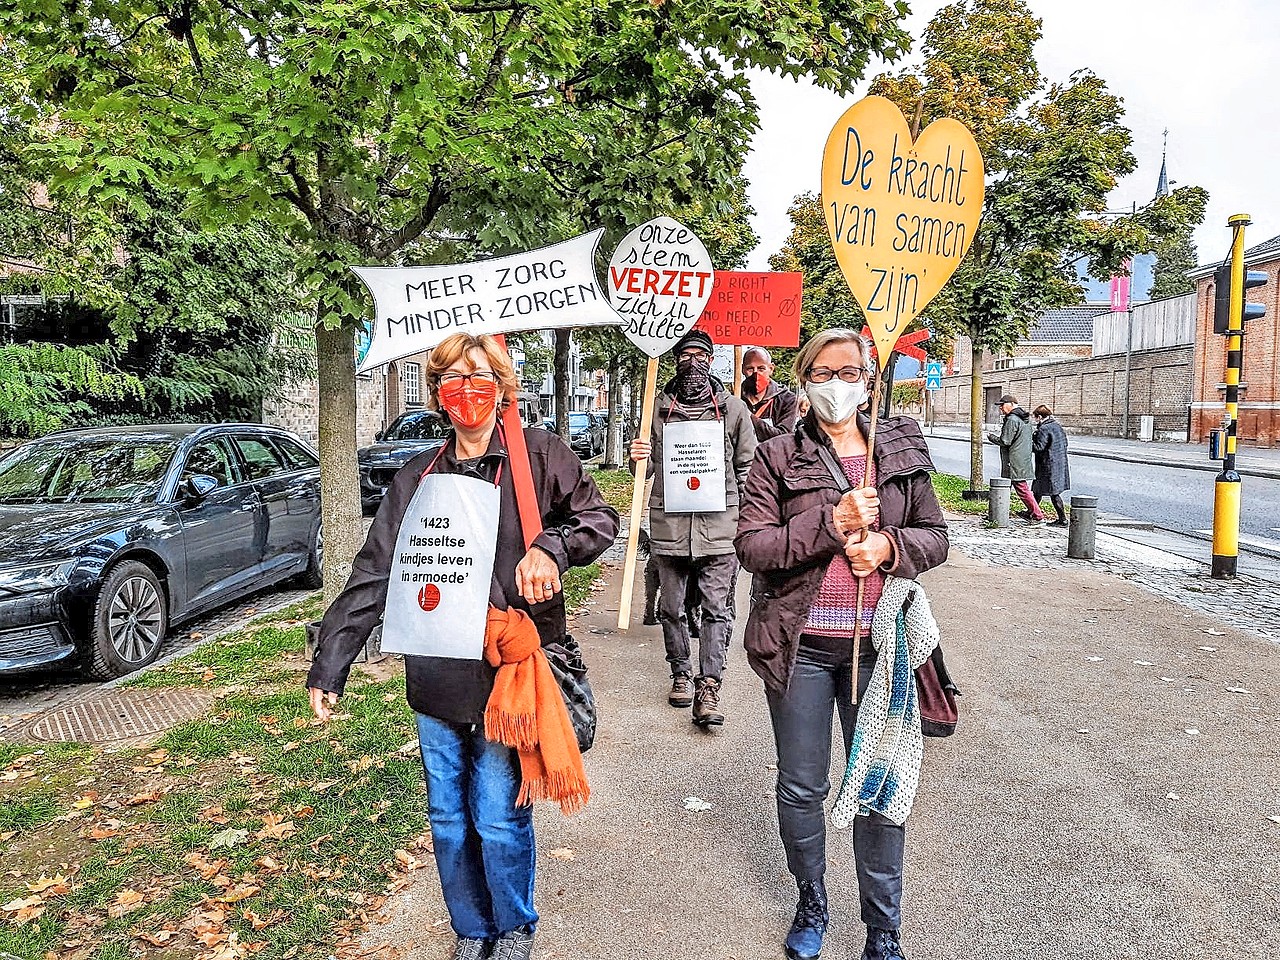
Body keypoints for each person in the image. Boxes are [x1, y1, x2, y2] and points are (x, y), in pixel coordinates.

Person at [307, 333, 618, 960]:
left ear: (502, 385)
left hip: (508, 676)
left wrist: (549, 550)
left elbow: (597, 519)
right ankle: (472, 930)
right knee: (448, 819)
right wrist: (332, 660)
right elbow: (376, 569)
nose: (466, 389)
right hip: (438, 674)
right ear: (437, 395)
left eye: (479, 376)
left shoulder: (540, 456)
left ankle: (513, 929)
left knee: (499, 817)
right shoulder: (416, 478)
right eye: (452, 377)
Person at [735, 328, 949, 960]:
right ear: (804, 381)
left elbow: (935, 535)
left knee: (881, 787)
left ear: (868, 379)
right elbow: (754, 549)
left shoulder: (900, 452)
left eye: (848, 371)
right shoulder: (778, 458)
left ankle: (884, 929)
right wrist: (828, 526)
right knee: (802, 786)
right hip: (800, 646)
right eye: (823, 373)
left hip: (880, 649)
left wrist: (889, 547)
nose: (837, 384)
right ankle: (812, 902)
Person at [630, 329, 757, 726]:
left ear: (711, 359)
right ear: (675, 360)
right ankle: (681, 673)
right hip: (669, 527)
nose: (693, 362)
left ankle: (709, 686)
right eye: (685, 355)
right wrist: (638, 456)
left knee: (716, 610)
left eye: (701, 355)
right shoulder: (656, 409)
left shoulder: (734, 410)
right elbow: (644, 471)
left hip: (720, 529)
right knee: (670, 608)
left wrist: (748, 518)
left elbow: (748, 467)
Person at [987, 393, 1045, 525]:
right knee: (1006, 487)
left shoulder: (1012, 419)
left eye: (1002, 405)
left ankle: (1037, 515)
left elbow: (1005, 440)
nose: (1000, 408)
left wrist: (991, 437)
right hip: (1022, 458)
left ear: (1011, 405)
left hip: (1013, 460)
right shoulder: (1024, 418)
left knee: (1021, 488)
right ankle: (996, 514)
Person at [742, 346, 800, 441]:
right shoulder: (734, 398)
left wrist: (747, 416)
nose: (756, 374)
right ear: (743, 370)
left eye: (761, 369)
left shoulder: (787, 400)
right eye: (750, 369)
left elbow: (783, 437)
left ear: (771, 368)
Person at [1031, 404, 1071, 527]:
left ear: (1039, 416)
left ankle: (1063, 519)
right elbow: (1065, 443)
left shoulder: (1044, 429)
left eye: (1035, 417)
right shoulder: (1057, 426)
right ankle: (1032, 512)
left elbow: (1039, 447)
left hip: (1047, 465)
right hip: (1059, 463)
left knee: (1053, 493)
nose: (1034, 420)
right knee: (1038, 491)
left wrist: (1029, 441)